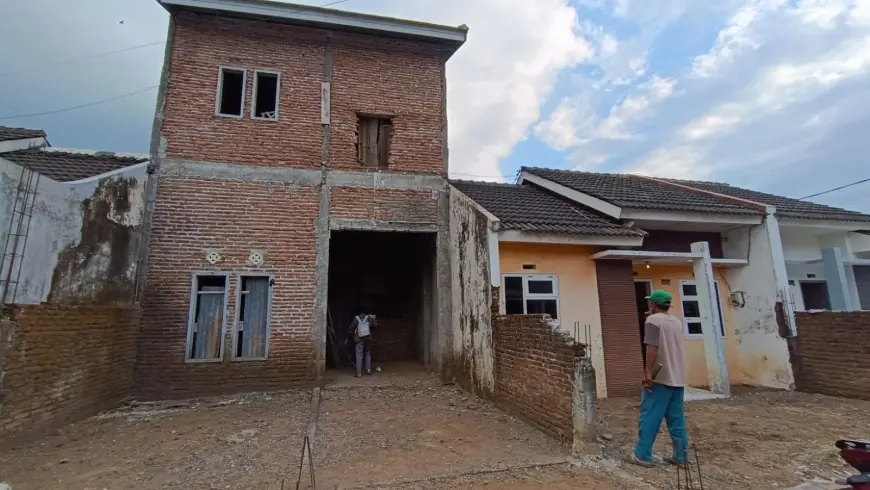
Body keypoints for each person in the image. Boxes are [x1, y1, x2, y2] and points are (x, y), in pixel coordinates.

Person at [632, 290, 689, 468]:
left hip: (661, 378)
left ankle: (642, 455)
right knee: (677, 420)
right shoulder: (677, 322)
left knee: (650, 417)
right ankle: (681, 457)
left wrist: (648, 373)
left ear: (654, 305)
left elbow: (652, 348)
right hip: (678, 377)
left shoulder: (653, 320)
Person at [346, 309, 375, 378]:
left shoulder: (356, 318)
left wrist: (351, 335)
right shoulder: (369, 317)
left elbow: (350, 329)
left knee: (359, 356)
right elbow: (375, 326)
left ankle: (359, 373)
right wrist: (373, 319)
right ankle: (368, 370)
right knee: (368, 354)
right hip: (368, 338)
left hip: (359, 339)